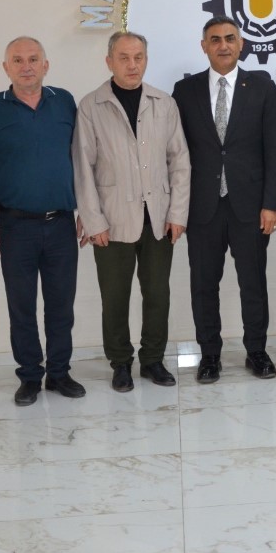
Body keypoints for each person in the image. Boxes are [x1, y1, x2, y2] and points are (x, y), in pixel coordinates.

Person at [75, 31, 191, 391]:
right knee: (115, 297)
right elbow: (83, 167)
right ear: (109, 61)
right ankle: (121, 362)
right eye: (124, 58)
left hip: (158, 218)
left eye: (138, 57)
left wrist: (177, 214)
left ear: (146, 60)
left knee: (158, 294)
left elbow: (180, 161)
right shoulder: (91, 106)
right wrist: (93, 221)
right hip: (111, 220)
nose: (132, 65)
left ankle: (153, 359)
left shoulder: (163, 103)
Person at [0, 36, 86, 407]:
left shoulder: (64, 101)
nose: (26, 66)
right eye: (18, 60)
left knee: (61, 305)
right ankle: (29, 376)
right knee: (21, 307)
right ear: (6, 68)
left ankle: (59, 373)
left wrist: (87, 211)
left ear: (45, 65)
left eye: (33, 59)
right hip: (14, 226)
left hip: (60, 223)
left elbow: (81, 160)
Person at [172, 15, 276, 383]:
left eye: (230, 38)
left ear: (241, 44)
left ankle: (257, 351)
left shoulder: (262, 86)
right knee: (203, 285)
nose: (223, 45)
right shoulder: (185, 91)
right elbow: (176, 152)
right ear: (204, 46)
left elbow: (274, 149)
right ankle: (209, 355)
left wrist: (271, 204)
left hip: (250, 206)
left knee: (253, 283)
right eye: (215, 39)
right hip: (202, 207)